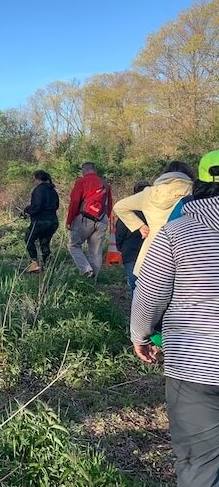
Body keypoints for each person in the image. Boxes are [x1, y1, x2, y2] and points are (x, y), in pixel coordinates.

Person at [131, 149, 219, 487]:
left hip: (196, 366)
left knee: (200, 464)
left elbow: (149, 295)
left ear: (199, 184)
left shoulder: (175, 233)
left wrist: (140, 336)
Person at [113, 161, 193, 278]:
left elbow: (119, 207)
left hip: (153, 251)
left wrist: (140, 226)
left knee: (151, 291)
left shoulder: (150, 193)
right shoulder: (195, 191)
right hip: (185, 249)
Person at [66, 162, 113, 279]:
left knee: (73, 245)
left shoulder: (81, 182)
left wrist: (70, 220)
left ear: (83, 171)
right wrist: (106, 217)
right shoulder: (105, 184)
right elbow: (109, 204)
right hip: (102, 219)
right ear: (94, 169)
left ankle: (86, 270)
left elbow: (75, 202)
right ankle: (94, 280)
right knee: (96, 251)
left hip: (85, 219)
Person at [115, 181, 150, 293]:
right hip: (151, 255)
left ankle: (135, 309)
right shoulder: (155, 214)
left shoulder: (126, 214)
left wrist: (120, 248)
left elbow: (119, 235)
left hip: (130, 254)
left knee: (135, 286)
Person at [23, 170, 59, 273]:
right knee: (45, 243)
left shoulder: (38, 190)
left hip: (40, 222)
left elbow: (36, 207)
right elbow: (56, 206)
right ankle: (48, 266)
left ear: (37, 179)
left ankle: (35, 263)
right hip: (53, 222)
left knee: (29, 239)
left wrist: (27, 211)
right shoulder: (53, 190)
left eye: (34, 179)